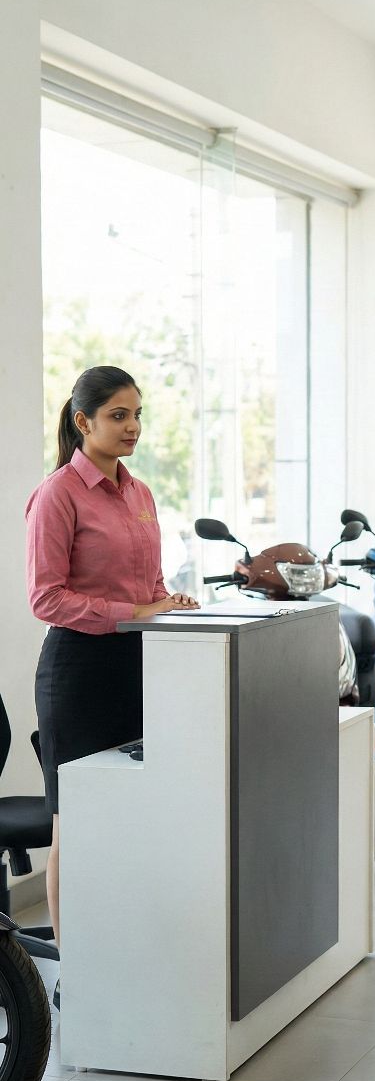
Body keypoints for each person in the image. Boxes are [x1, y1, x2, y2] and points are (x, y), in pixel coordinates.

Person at [26, 366, 198, 980]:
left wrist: (167, 601)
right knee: (75, 822)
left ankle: (123, 964)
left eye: (137, 414)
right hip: (79, 671)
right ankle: (78, 973)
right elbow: (46, 598)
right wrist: (136, 610)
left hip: (137, 666)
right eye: (118, 415)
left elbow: (148, 584)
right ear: (83, 421)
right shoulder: (58, 495)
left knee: (131, 814)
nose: (133, 427)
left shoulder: (140, 493)